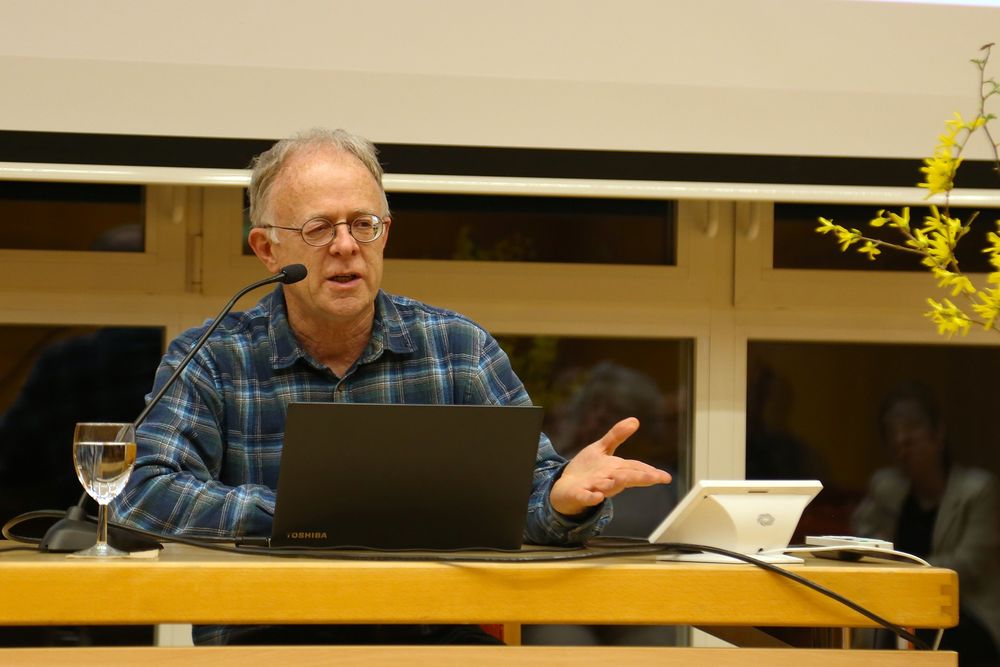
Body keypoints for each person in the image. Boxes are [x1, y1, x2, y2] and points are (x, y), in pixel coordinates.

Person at [110, 128, 671, 646]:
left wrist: (564, 499)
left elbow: (529, 498)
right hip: (267, 641)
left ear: (385, 234)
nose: (345, 245)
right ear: (267, 249)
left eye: (364, 224)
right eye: (318, 229)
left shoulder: (457, 348)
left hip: (430, 640)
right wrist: (305, 517)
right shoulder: (212, 355)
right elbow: (141, 494)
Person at [852, 381, 1000, 665]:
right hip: (896, 612)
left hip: (966, 615)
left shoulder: (978, 490)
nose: (901, 439)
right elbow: (862, 547)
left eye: (911, 428)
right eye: (892, 432)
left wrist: (903, 573)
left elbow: (968, 566)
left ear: (938, 434)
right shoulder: (886, 486)